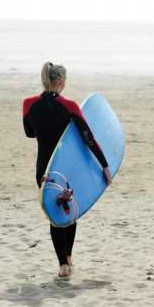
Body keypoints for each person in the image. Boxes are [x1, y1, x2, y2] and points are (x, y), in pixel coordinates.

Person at [23, 62, 112, 279]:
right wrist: (105, 165)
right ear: (61, 82)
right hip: (68, 168)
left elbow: (29, 133)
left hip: (44, 168)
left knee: (54, 214)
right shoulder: (70, 106)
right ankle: (69, 258)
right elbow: (88, 138)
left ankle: (62, 264)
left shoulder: (28, 104)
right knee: (69, 211)